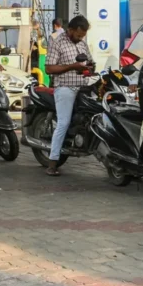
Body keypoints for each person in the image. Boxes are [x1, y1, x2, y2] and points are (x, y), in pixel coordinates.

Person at [44, 15, 94, 177]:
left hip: (84, 86)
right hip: (65, 87)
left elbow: (90, 62)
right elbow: (49, 68)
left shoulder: (82, 44)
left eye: (83, 36)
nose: (80, 38)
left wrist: (90, 68)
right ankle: (52, 162)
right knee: (63, 123)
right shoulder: (57, 43)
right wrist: (72, 66)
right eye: (78, 35)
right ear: (70, 30)